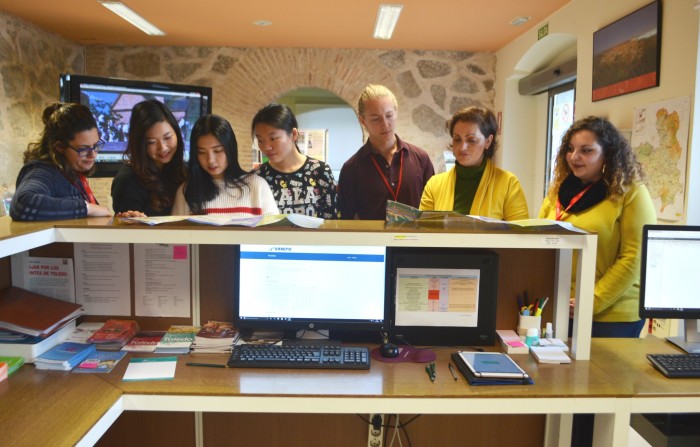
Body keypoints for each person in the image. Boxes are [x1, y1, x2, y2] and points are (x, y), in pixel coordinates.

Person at [539, 116, 656, 337]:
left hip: (611, 315)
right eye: (571, 149)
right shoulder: (559, 190)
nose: (575, 157)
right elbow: (539, 239)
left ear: (608, 155)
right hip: (562, 307)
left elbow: (634, 257)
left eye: (586, 151)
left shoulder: (630, 192)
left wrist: (592, 300)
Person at [338, 84, 434, 220]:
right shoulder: (352, 168)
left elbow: (433, 211)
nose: (385, 124)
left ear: (396, 112)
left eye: (389, 115)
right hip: (373, 241)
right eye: (376, 119)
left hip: (415, 240)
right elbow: (346, 220)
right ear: (363, 121)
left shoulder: (421, 159)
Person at [419, 106, 529, 220]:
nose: (462, 147)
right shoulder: (434, 185)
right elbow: (424, 231)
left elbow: (520, 234)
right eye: (457, 139)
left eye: (471, 140)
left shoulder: (508, 184)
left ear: (488, 141)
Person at [10, 102, 111, 221]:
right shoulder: (43, 171)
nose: (93, 154)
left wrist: (121, 219)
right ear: (60, 146)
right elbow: (23, 204)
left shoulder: (72, 171)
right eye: (83, 149)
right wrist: (87, 208)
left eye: (95, 145)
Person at [171, 114, 279, 216]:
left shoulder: (257, 185)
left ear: (230, 149)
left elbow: (274, 233)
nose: (210, 160)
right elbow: (175, 234)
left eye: (217, 151)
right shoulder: (187, 191)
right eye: (202, 152)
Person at [251, 103, 338, 219]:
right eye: (260, 140)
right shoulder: (258, 177)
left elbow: (332, 219)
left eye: (273, 138)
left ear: (294, 135)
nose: (266, 147)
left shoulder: (320, 171)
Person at [111, 99, 187, 217]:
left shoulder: (186, 171)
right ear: (140, 144)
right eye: (151, 142)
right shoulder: (128, 180)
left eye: (167, 137)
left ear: (177, 133)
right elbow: (126, 231)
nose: (162, 148)